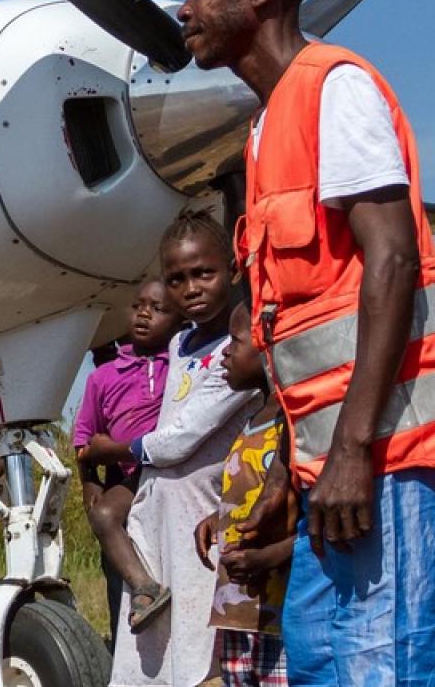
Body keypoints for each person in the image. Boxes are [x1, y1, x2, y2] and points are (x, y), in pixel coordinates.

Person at [179, 0, 435, 680]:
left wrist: (353, 453)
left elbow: (391, 259)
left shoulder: (334, 91)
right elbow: (308, 324)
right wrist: (293, 475)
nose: (184, 10)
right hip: (333, 461)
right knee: (323, 656)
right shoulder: (265, 130)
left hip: (392, 450)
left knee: (381, 658)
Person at [82, 213, 257, 686]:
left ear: (233, 269)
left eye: (204, 273)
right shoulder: (180, 342)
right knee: (154, 643)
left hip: (202, 514)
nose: (192, 288)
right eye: (177, 279)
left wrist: (113, 449)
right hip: (156, 510)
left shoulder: (240, 353)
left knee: (198, 642)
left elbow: (180, 439)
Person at [194, 303, 293, 686]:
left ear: (269, 344)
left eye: (234, 340)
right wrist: (217, 519)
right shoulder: (254, 416)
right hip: (239, 610)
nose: (225, 352)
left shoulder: (293, 419)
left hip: (278, 611)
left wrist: (269, 556)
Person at [77, 279, 178, 633]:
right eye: (138, 306)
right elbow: (84, 438)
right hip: (128, 477)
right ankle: (144, 588)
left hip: (170, 473)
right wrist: (89, 481)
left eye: (158, 308)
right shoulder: (102, 377)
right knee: (105, 517)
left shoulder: (180, 365)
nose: (144, 314)